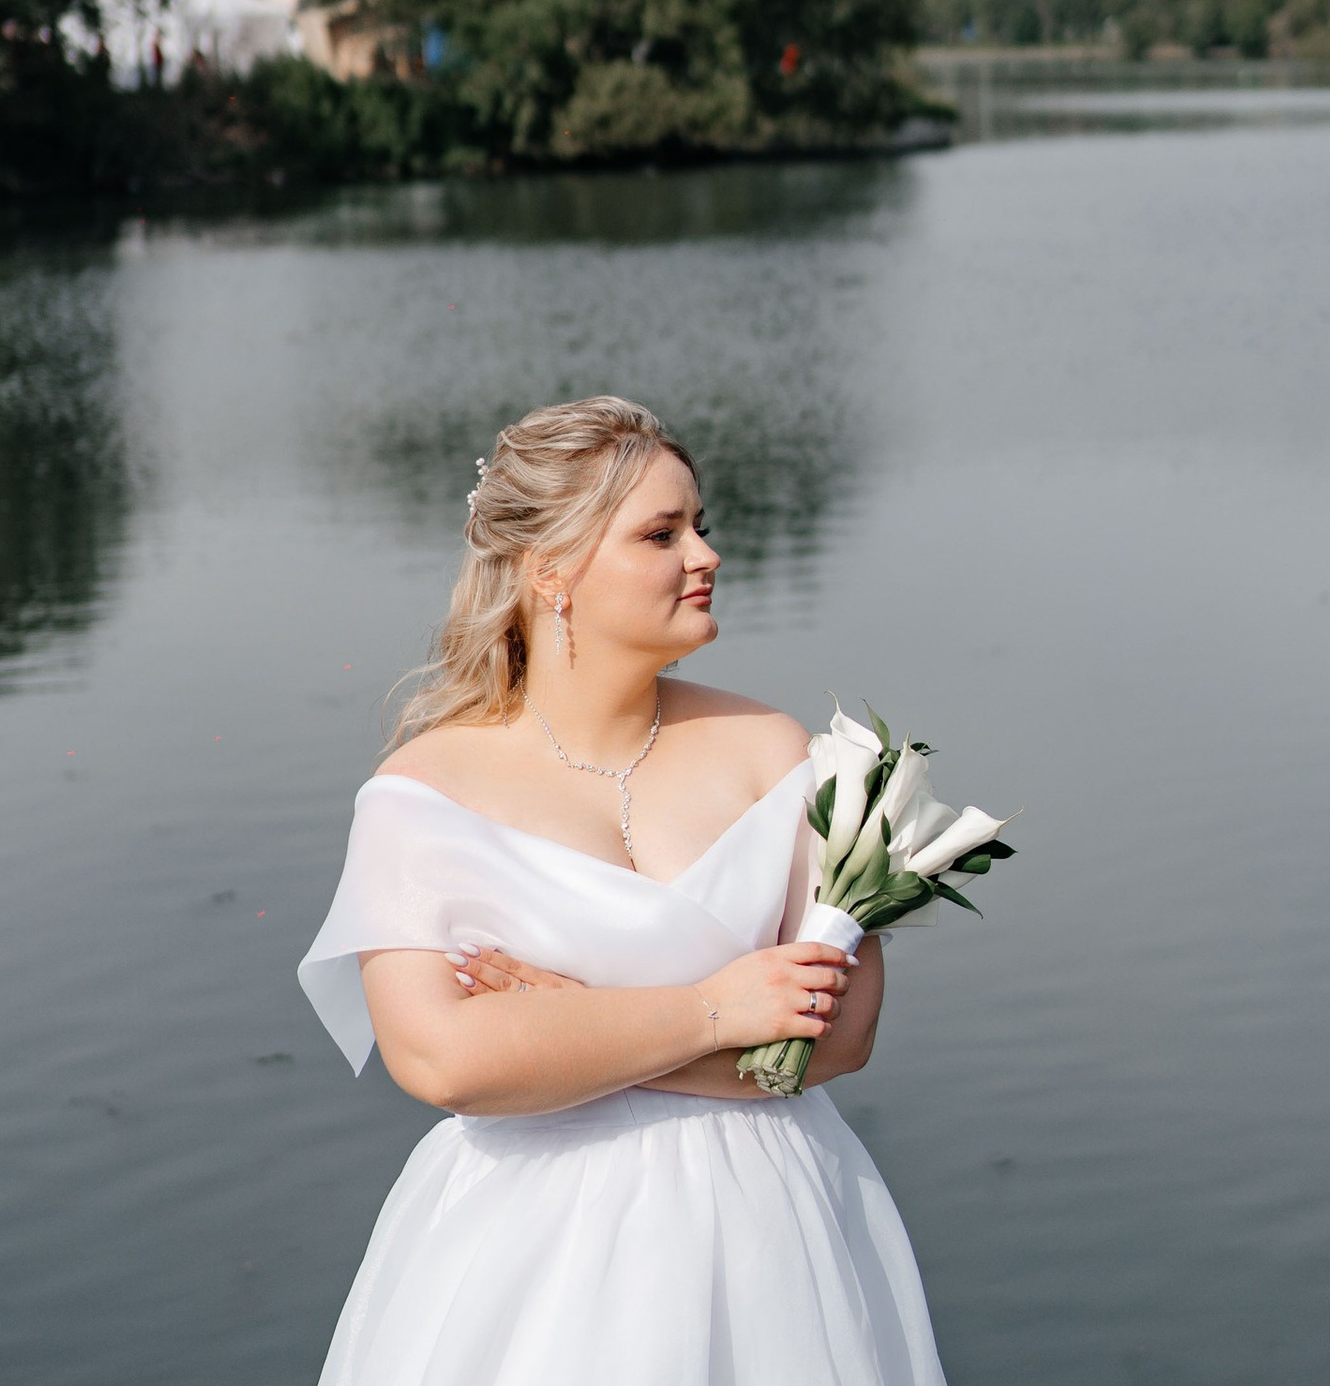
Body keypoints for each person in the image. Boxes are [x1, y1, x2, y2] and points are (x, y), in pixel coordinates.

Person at [296, 396, 949, 1385]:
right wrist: (714, 1011)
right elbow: (441, 1061)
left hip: (776, 1226)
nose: (705, 555)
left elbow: (840, 1038)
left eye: (701, 525)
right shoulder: (423, 794)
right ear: (550, 570)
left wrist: (581, 1032)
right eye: (661, 533)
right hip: (537, 1245)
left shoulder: (779, 756)